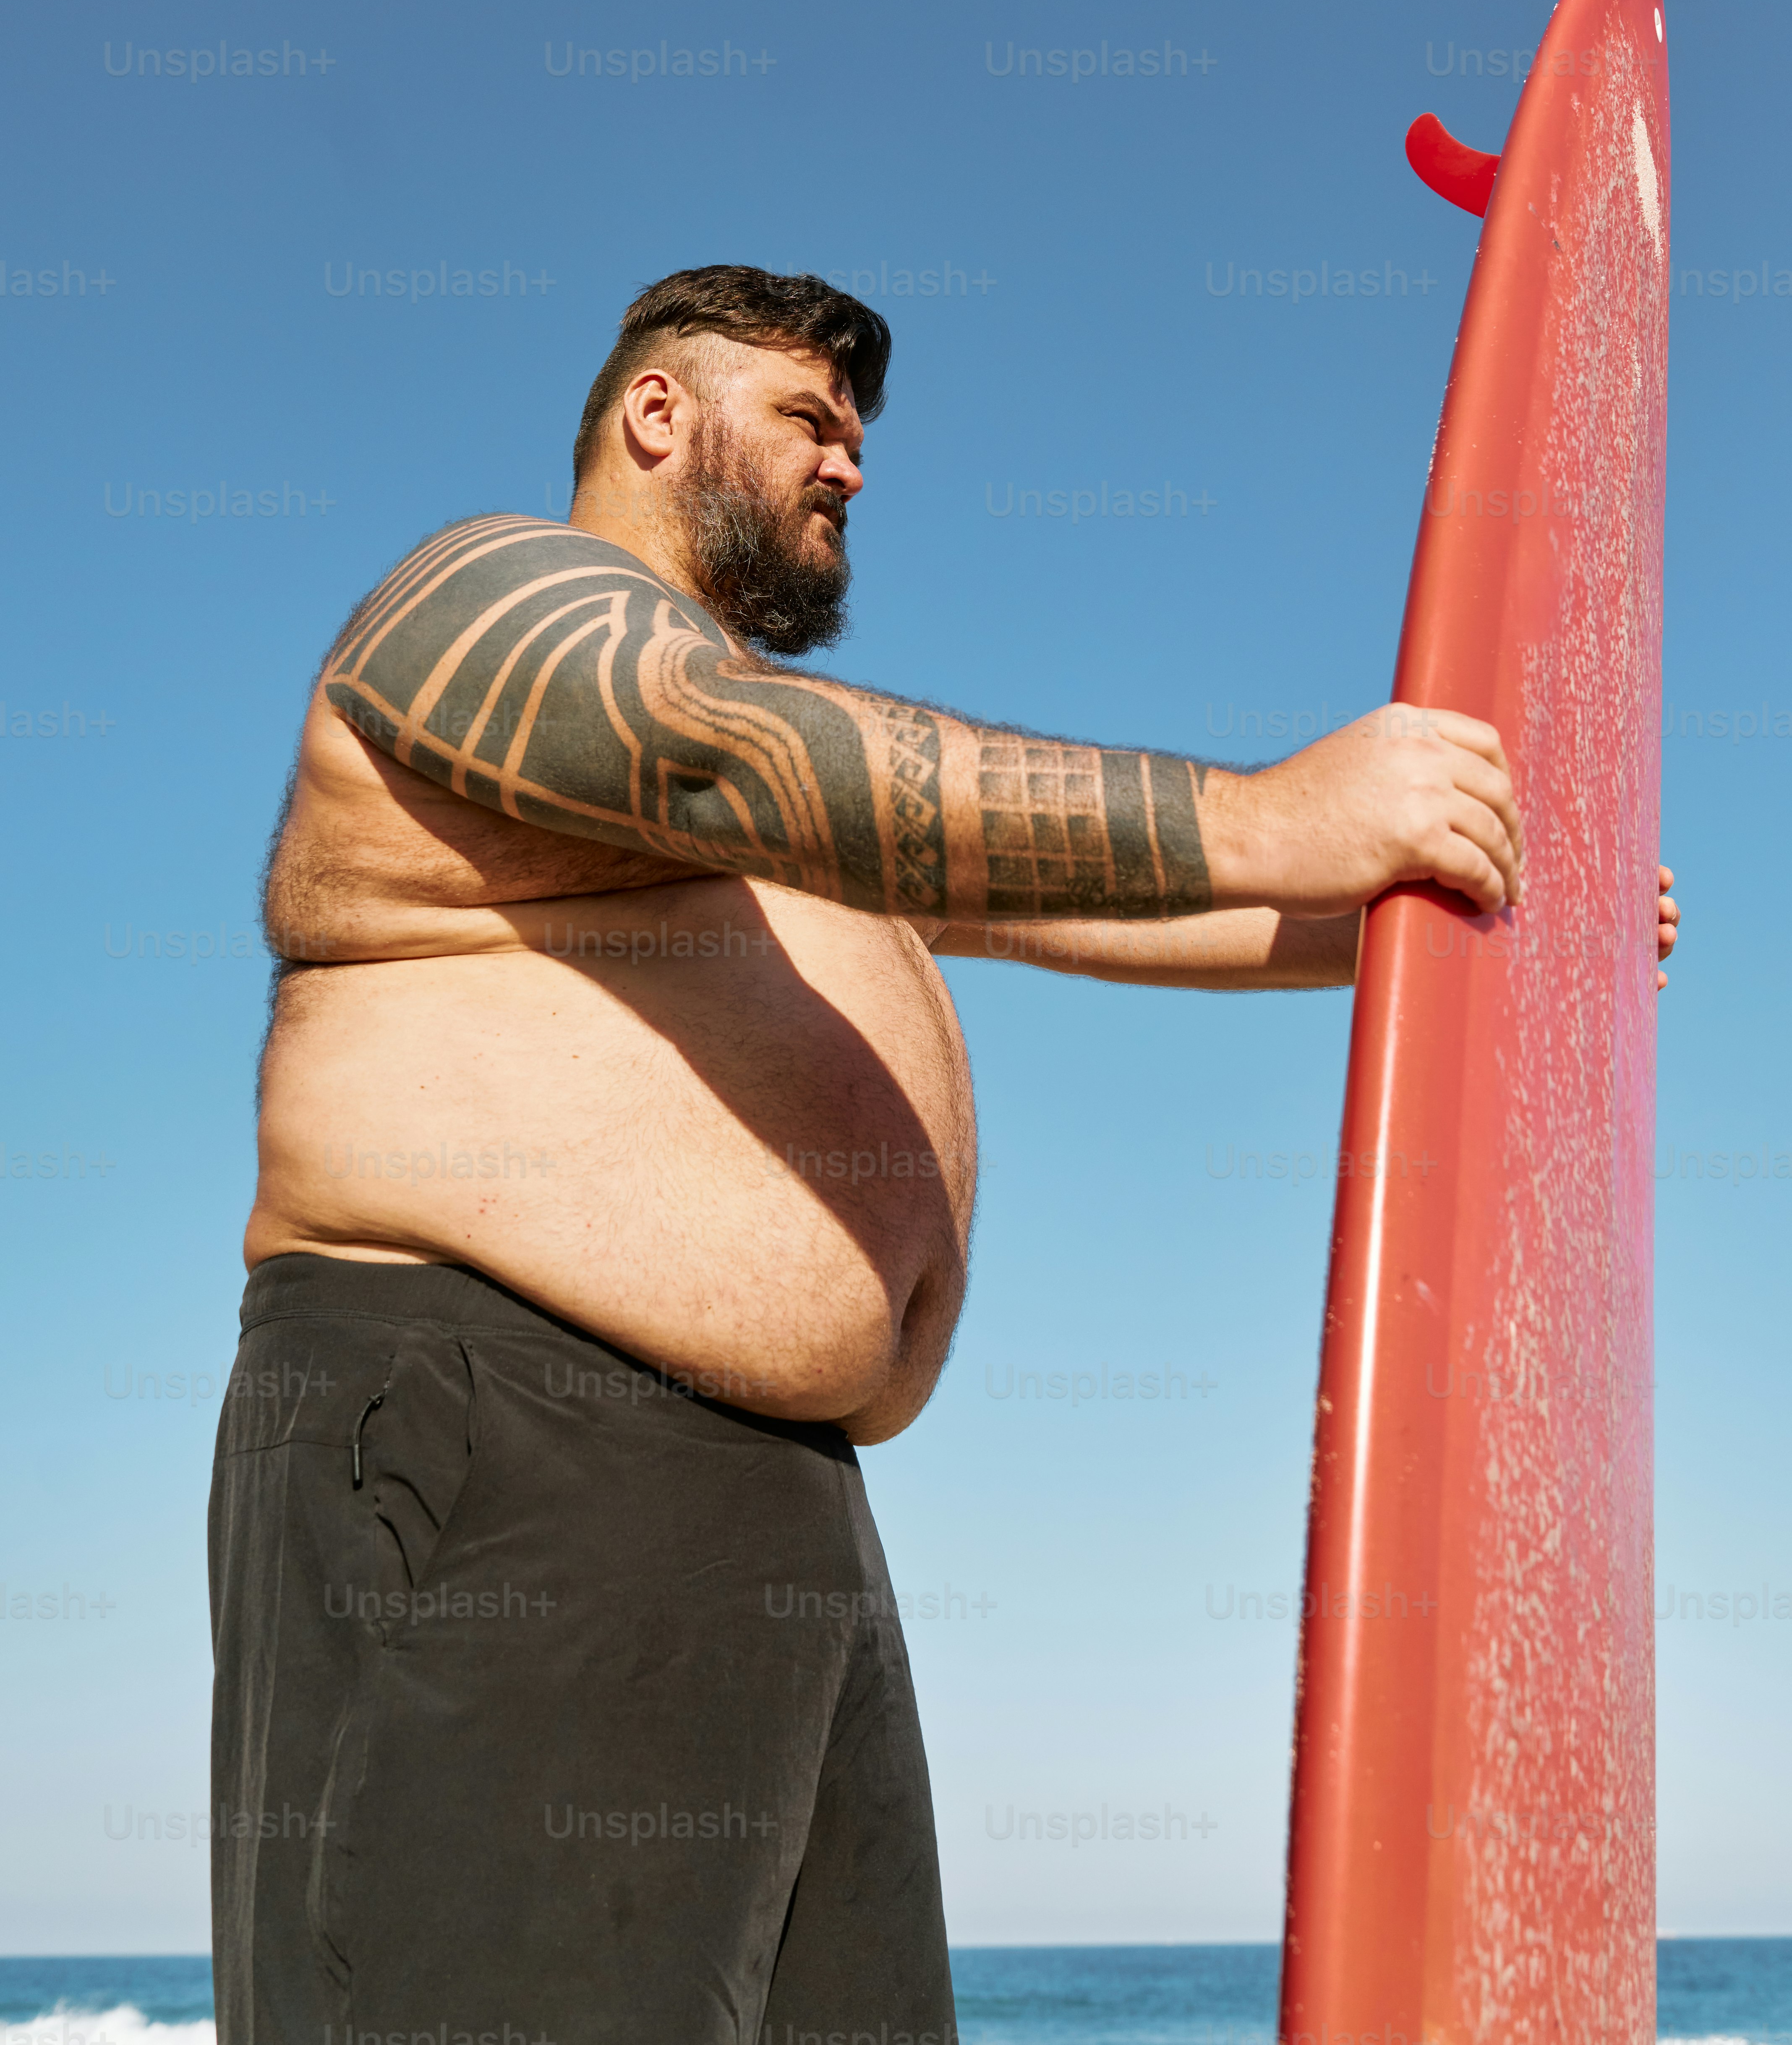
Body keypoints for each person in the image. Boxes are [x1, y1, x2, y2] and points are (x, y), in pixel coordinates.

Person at [213, 265, 1676, 2045]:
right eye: (811, 418)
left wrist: (1441, 903)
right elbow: (706, 749)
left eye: (861, 437)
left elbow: (1102, 904)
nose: (851, 466)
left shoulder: (773, 795)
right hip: (509, 1434)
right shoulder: (494, 598)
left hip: (782, 1509)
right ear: (657, 415)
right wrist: (1280, 808)